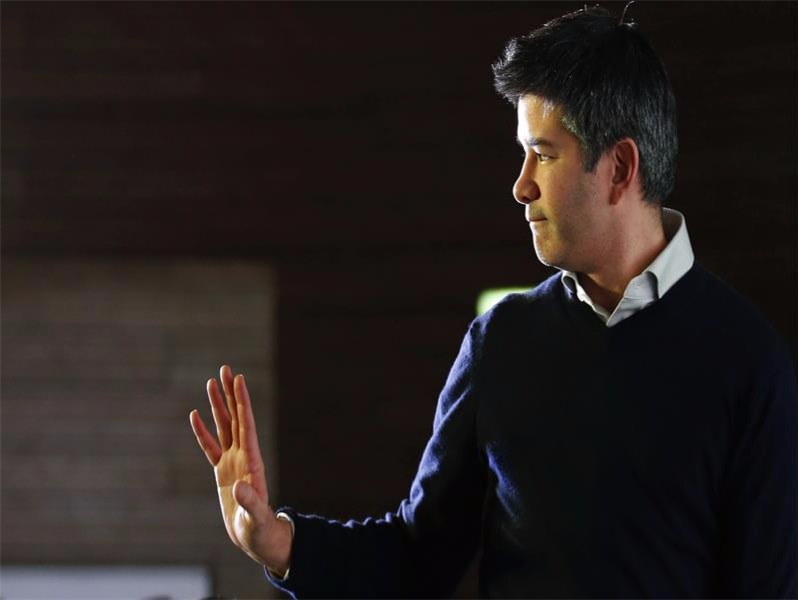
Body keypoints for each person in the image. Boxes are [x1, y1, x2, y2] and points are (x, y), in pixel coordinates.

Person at [190, 5, 797, 598]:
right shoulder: (502, 341)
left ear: (619, 168)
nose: (521, 184)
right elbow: (418, 557)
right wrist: (281, 544)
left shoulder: (746, 360)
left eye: (544, 154)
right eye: (522, 153)